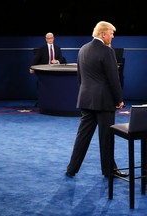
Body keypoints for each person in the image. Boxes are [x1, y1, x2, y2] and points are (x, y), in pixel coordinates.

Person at [65, 21, 128, 178]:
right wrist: (119, 99)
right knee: (106, 138)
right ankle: (108, 171)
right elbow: (114, 78)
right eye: (111, 33)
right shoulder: (107, 51)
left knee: (82, 137)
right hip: (104, 102)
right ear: (103, 34)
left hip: (86, 99)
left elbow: (80, 77)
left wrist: (85, 94)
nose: (113, 36)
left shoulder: (83, 49)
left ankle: (71, 169)